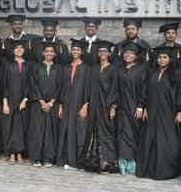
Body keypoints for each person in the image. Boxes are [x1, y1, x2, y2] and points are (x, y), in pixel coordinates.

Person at [137, 46, 181, 180]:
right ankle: (150, 169)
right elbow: (146, 91)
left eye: (164, 57)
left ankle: (165, 171)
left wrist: (180, 111)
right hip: (152, 111)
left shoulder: (176, 74)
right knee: (150, 138)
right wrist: (143, 107)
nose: (161, 60)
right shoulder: (152, 73)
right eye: (159, 57)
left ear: (170, 59)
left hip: (169, 112)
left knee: (167, 140)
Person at [82, 40, 119, 173]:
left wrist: (113, 107)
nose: (102, 53)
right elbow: (88, 87)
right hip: (93, 106)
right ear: (97, 53)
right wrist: (86, 104)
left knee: (106, 133)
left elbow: (115, 89)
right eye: (100, 51)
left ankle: (108, 163)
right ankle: (94, 162)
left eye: (105, 51)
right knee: (93, 131)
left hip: (106, 107)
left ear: (109, 53)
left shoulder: (113, 69)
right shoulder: (94, 69)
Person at [27, 42, 62, 168]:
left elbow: (60, 87)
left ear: (55, 53)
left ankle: (48, 158)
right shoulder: (36, 67)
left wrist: (51, 102)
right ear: (42, 53)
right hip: (38, 104)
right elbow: (33, 85)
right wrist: (41, 101)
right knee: (37, 130)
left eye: (51, 51)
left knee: (50, 132)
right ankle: (36, 158)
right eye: (46, 51)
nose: (49, 53)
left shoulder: (59, 68)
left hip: (52, 105)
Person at [57, 38, 90, 169]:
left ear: (81, 52)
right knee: (65, 131)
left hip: (79, 104)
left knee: (78, 132)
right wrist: (60, 105)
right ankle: (65, 160)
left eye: (78, 49)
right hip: (66, 104)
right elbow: (62, 87)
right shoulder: (66, 68)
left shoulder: (86, 68)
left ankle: (76, 162)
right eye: (73, 49)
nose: (75, 51)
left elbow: (88, 87)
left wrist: (85, 105)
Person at [117, 41, 146, 175]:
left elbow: (144, 90)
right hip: (120, 107)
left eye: (131, 53)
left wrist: (140, 107)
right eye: (126, 52)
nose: (128, 55)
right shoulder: (120, 68)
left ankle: (131, 162)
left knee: (131, 134)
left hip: (133, 106)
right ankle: (122, 161)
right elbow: (115, 89)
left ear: (136, 56)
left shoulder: (141, 69)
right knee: (121, 133)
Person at [2, 39, 31, 165]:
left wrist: (25, 99)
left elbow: (31, 85)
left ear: (24, 50)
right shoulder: (8, 65)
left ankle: (20, 153)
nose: (19, 50)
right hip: (11, 100)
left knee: (21, 128)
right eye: (17, 48)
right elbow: (4, 84)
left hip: (23, 101)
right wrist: (5, 102)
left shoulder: (29, 66)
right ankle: (12, 154)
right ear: (13, 50)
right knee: (11, 127)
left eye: (21, 48)